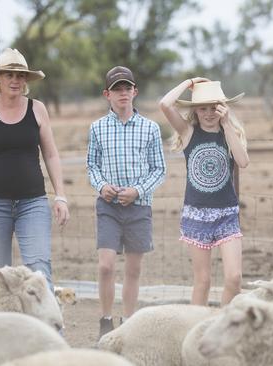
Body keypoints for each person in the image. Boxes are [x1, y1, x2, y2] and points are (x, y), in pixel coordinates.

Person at [0, 48, 70, 292]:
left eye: (20, 76)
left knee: (39, 270)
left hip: (33, 203)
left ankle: (50, 331)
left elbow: (51, 154)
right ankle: (3, 329)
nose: (15, 80)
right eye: (9, 74)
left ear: (26, 80)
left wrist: (61, 195)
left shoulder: (37, 109)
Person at [87, 66, 166, 338]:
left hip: (139, 206)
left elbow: (159, 169)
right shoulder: (97, 128)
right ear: (107, 95)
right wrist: (101, 186)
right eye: (117, 89)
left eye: (127, 88)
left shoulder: (150, 128)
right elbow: (92, 166)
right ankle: (106, 321)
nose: (123, 93)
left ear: (135, 92)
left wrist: (137, 190)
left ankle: (129, 325)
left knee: (133, 269)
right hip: (108, 206)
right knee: (106, 265)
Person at [159, 79, 249, 306]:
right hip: (196, 215)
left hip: (227, 214)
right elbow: (165, 104)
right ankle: (194, 329)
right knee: (203, 281)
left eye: (213, 107)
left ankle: (223, 324)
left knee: (234, 278)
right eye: (203, 108)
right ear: (195, 111)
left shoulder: (230, 132)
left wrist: (227, 124)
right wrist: (189, 82)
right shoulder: (189, 132)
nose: (209, 113)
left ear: (222, 107)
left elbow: (243, 161)